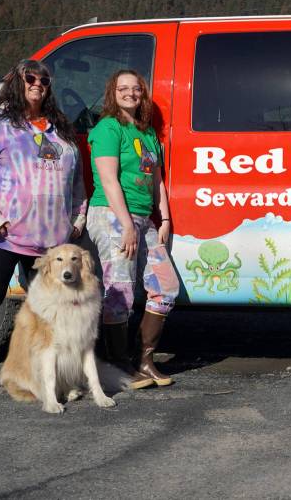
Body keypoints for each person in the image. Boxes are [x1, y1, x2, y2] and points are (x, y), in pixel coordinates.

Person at [0, 59, 87, 398]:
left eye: (44, 80)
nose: (38, 84)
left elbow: (76, 183)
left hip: (50, 243)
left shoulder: (60, 129)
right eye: (31, 78)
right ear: (16, 82)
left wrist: (77, 219)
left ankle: (53, 378)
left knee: (51, 311)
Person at [87, 69, 179, 389]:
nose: (130, 93)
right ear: (113, 93)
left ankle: (144, 360)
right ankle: (118, 364)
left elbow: (157, 180)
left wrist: (164, 218)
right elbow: (109, 180)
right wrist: (126, 225)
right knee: (119, 291)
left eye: (136, 89)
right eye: (123, 88)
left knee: (166, 286)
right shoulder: (108, 129)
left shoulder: (147, 133)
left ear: (143, 94)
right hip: (112, 216)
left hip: (144, 218)